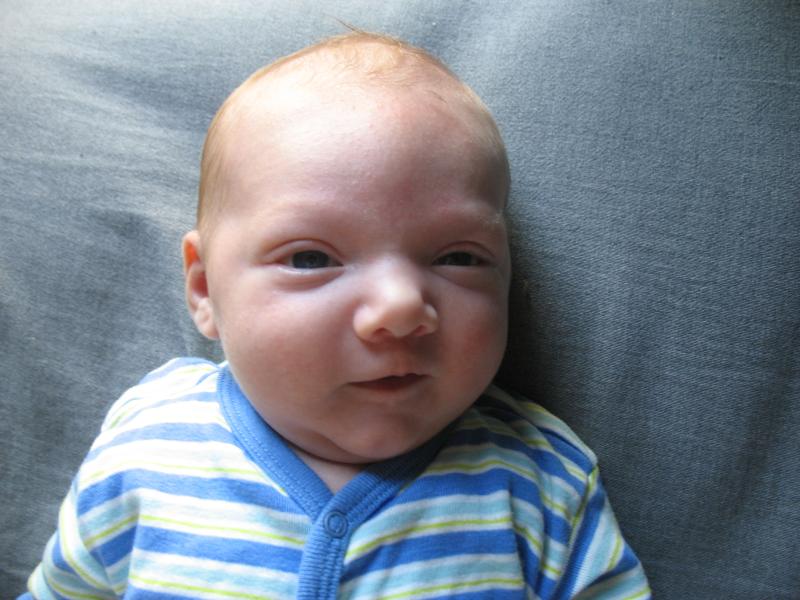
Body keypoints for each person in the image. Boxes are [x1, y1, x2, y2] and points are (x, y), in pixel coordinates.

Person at [22, 31, 650, 599]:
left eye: (458, 257)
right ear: (206, 288)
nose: (401, 307)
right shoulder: (148, 446)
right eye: (311, 258)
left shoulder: (539, 481)